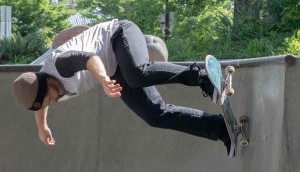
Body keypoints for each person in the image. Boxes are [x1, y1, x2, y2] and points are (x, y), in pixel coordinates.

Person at [12, 19, 233, 157]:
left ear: (47, 82)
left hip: (119, 35)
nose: (53, 103)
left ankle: (200, 76)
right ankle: (220, 128)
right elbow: (40, 103)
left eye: (50, 99)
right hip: (115, 69)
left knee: (137, 75)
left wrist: (103, 81)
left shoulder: (60, 64)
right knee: (154, 115)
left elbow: (90, 60)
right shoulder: (46, 90)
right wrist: (42, 127)